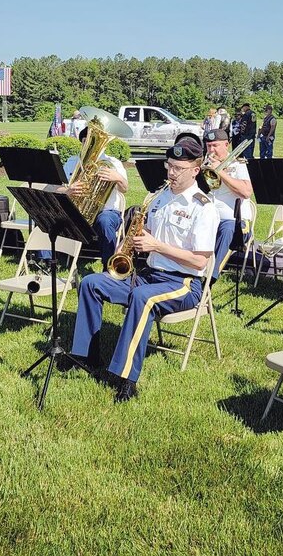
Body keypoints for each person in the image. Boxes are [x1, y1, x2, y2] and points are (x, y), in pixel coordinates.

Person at [61, 139, 218, 403]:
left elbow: (199, 261)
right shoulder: (159, 197)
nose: (171, 173)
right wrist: (136, 237)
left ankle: (126, 378)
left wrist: (157, 245)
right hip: (149, 274)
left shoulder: (203, 207)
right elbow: (150, 236)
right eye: (170, 166)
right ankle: (86, 355)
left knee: (142, 298)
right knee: (90, 283)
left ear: (196, 169)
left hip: (183, 283)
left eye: (179, 168)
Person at [39, 125, 128, 270]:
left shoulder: (113, 163)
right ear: (82, 142)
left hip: (107, 211)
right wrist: (68, 190)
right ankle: (46, 261)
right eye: (87, 141)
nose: (91, 145)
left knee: (104, 221)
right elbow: (52, 188)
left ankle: (109, 265)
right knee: (48, 215)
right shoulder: (72, 162)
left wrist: (118, 178)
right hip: (76, 211)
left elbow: (124, 189)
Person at [202, 128, 254, 280]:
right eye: (209, 146)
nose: (211, 150)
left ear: (226, 145)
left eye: (215, 146)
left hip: (236, 222)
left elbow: (246, 192)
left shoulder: (238, 165)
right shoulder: (205, 165)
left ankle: (210, 277)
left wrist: (220, 171)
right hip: (210, 217)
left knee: (227, 228)